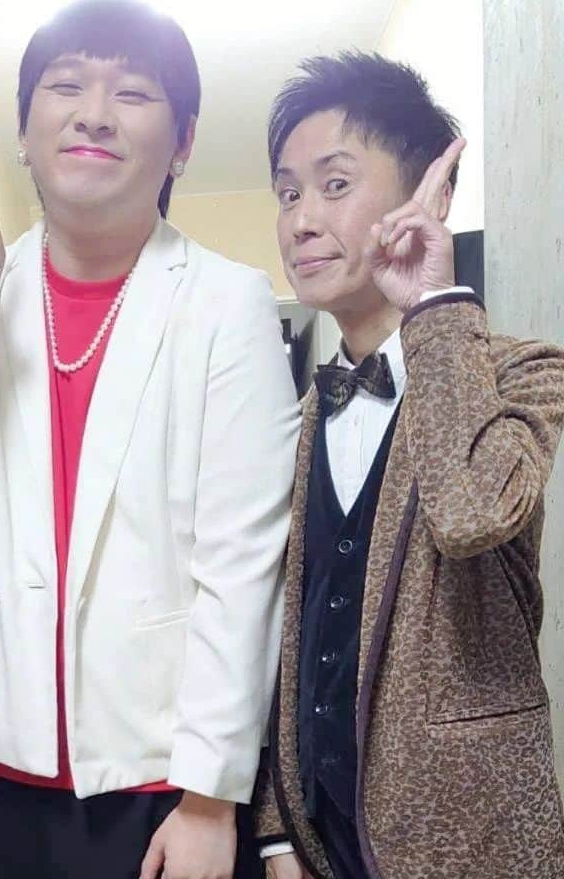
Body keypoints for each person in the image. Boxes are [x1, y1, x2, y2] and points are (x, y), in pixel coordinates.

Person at [0, 0, 301, 879]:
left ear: (182, 141)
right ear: (25, 131)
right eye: (66, 86)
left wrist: (210, 800)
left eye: (133, 94)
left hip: (163, 784)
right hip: (2, 774)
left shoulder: (227, 303)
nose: (94, 114)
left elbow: (242, 567)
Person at [254, 51, 564, 879]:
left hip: (469, 843)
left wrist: (433, 303)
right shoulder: (304, 414)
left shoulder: (521, 372)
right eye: (288, 193)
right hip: (320, 845)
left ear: (434, 193)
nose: (301, 220)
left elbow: (469, 514)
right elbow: (286, 628)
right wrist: (277, 831)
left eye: (335, 184)